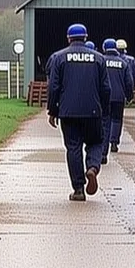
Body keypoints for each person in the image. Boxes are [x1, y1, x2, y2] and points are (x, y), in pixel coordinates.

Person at [47, 23, 111, 201]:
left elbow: (53, 87)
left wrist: (52, 110)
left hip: (68, 112)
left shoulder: (59, 58)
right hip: (93, 111)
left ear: (68, 38)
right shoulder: (99, 58)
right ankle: (92, 168)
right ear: (85, 37)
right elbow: (106, 88)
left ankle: (78, 189)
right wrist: (103, 109)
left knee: (73, 148)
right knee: (96, 142)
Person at [101, 38, 134, 162]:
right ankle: (114, 142)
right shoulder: (123, 63)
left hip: (104, 97)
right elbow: (129, 82)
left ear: (104, 48)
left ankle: (103, 153)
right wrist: (129, 96)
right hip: (119, 97)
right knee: (117, 120)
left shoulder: (101, 61)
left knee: (105, 123)